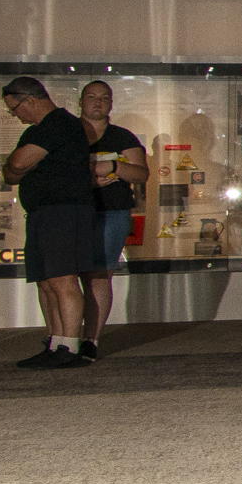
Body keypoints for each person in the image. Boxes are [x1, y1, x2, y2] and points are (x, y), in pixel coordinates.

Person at [1, 78, 100, 369]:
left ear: (30, 100)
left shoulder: (58, 124)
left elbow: (17, 165)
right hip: (44, 212)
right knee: (46, 281)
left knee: (62, 279)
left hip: (63, 211)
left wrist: (22, 164)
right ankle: (57, 342)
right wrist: (19, 164)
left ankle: (69, 346)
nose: (15, 115)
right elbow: (9, 173)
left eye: (14, 109)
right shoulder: (37, 131)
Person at [76, 81, 149, 350]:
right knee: (65, 276)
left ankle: (90, 340)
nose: (98, 102)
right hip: (73, 212)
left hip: (112, 212)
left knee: (99, 274)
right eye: (92, 97)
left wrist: (115, 167)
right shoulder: (69, 134)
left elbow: (141, 174)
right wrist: (91, 179)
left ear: (111, 103)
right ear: (81, 101)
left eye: (104, 97)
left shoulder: (123, 137)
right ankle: (63, 337)